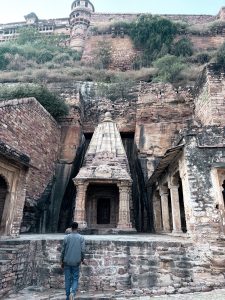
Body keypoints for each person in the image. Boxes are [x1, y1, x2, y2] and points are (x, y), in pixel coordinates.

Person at [61, 222, 85, 300]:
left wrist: (61, 261)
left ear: (71, 228)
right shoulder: (81, 238)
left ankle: (68, 297)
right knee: (75, 278)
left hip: (67, 261)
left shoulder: (66, 237)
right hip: (76, 261)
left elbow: (63, 251)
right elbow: (83, 250)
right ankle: (73, 293)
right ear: (77, 228)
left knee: (67, 279)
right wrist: (82, 259)